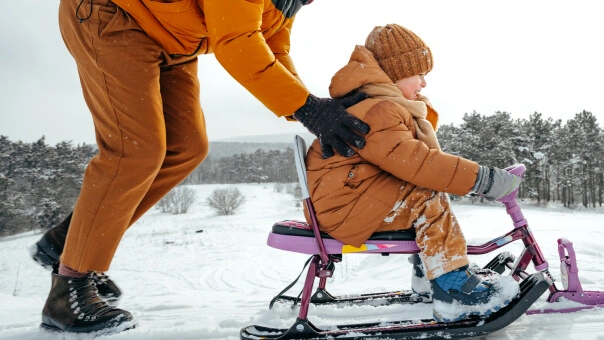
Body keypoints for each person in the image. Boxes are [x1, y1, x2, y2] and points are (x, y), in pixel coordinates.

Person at [31, 0, 370, 334]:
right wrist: (307, 108)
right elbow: (236, 41)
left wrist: (310, 107)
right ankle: (68, 292)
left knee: (188, 147)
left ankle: (69, 242)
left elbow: (272, 50)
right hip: (115, 14)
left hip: (174, 42)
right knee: (133, 152)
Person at [303, 23, 523, 322]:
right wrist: (484, 179)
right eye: (419, 74)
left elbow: (414, 162)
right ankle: (453, 288)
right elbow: (417, 163)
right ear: (395, 73)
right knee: (426, 196)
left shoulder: (375, 104)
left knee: (423, 192)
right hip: (345, 208)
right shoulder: (377, 110)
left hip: (346, 201)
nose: (423, 83)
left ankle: (430, 276)